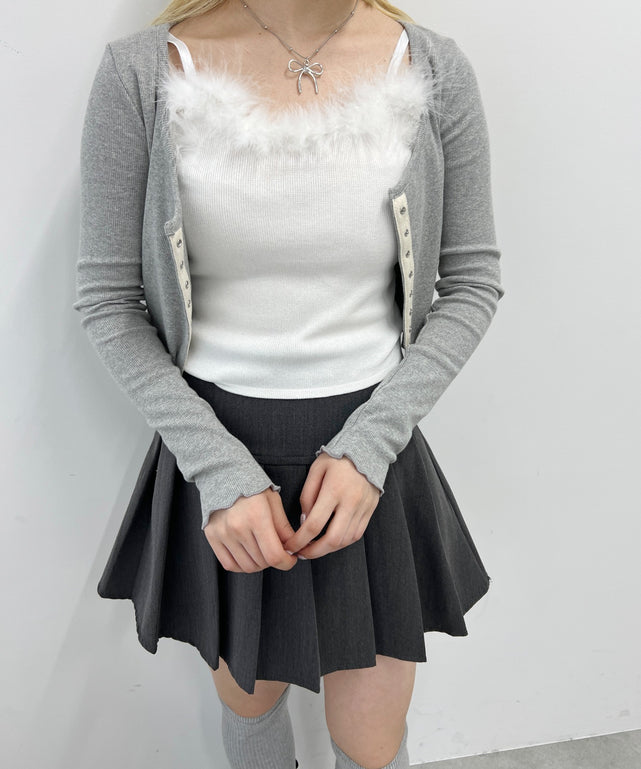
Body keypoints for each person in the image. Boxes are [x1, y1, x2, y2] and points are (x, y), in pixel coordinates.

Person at [74, 0, 505, 767]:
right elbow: (108, 300)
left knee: (371, 740)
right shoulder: (140, 74)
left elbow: (470, 283)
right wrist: (216, 467)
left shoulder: (432, 67)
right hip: (218, 451)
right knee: (250, 700)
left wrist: (371, 445)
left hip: (372, 454)